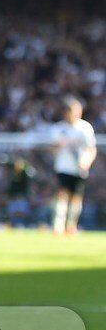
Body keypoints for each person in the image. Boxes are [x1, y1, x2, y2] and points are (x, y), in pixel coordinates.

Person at [51, 98, 96, 236]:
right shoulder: (59, 128)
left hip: (79, 168)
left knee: (76, 197)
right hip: (63, 167)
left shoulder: (85, 128)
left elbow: (91, 149)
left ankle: (71, 225)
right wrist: (59, 145)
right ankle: (58, 226)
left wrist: (85, 162)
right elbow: (52, 149)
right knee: (62, 194)